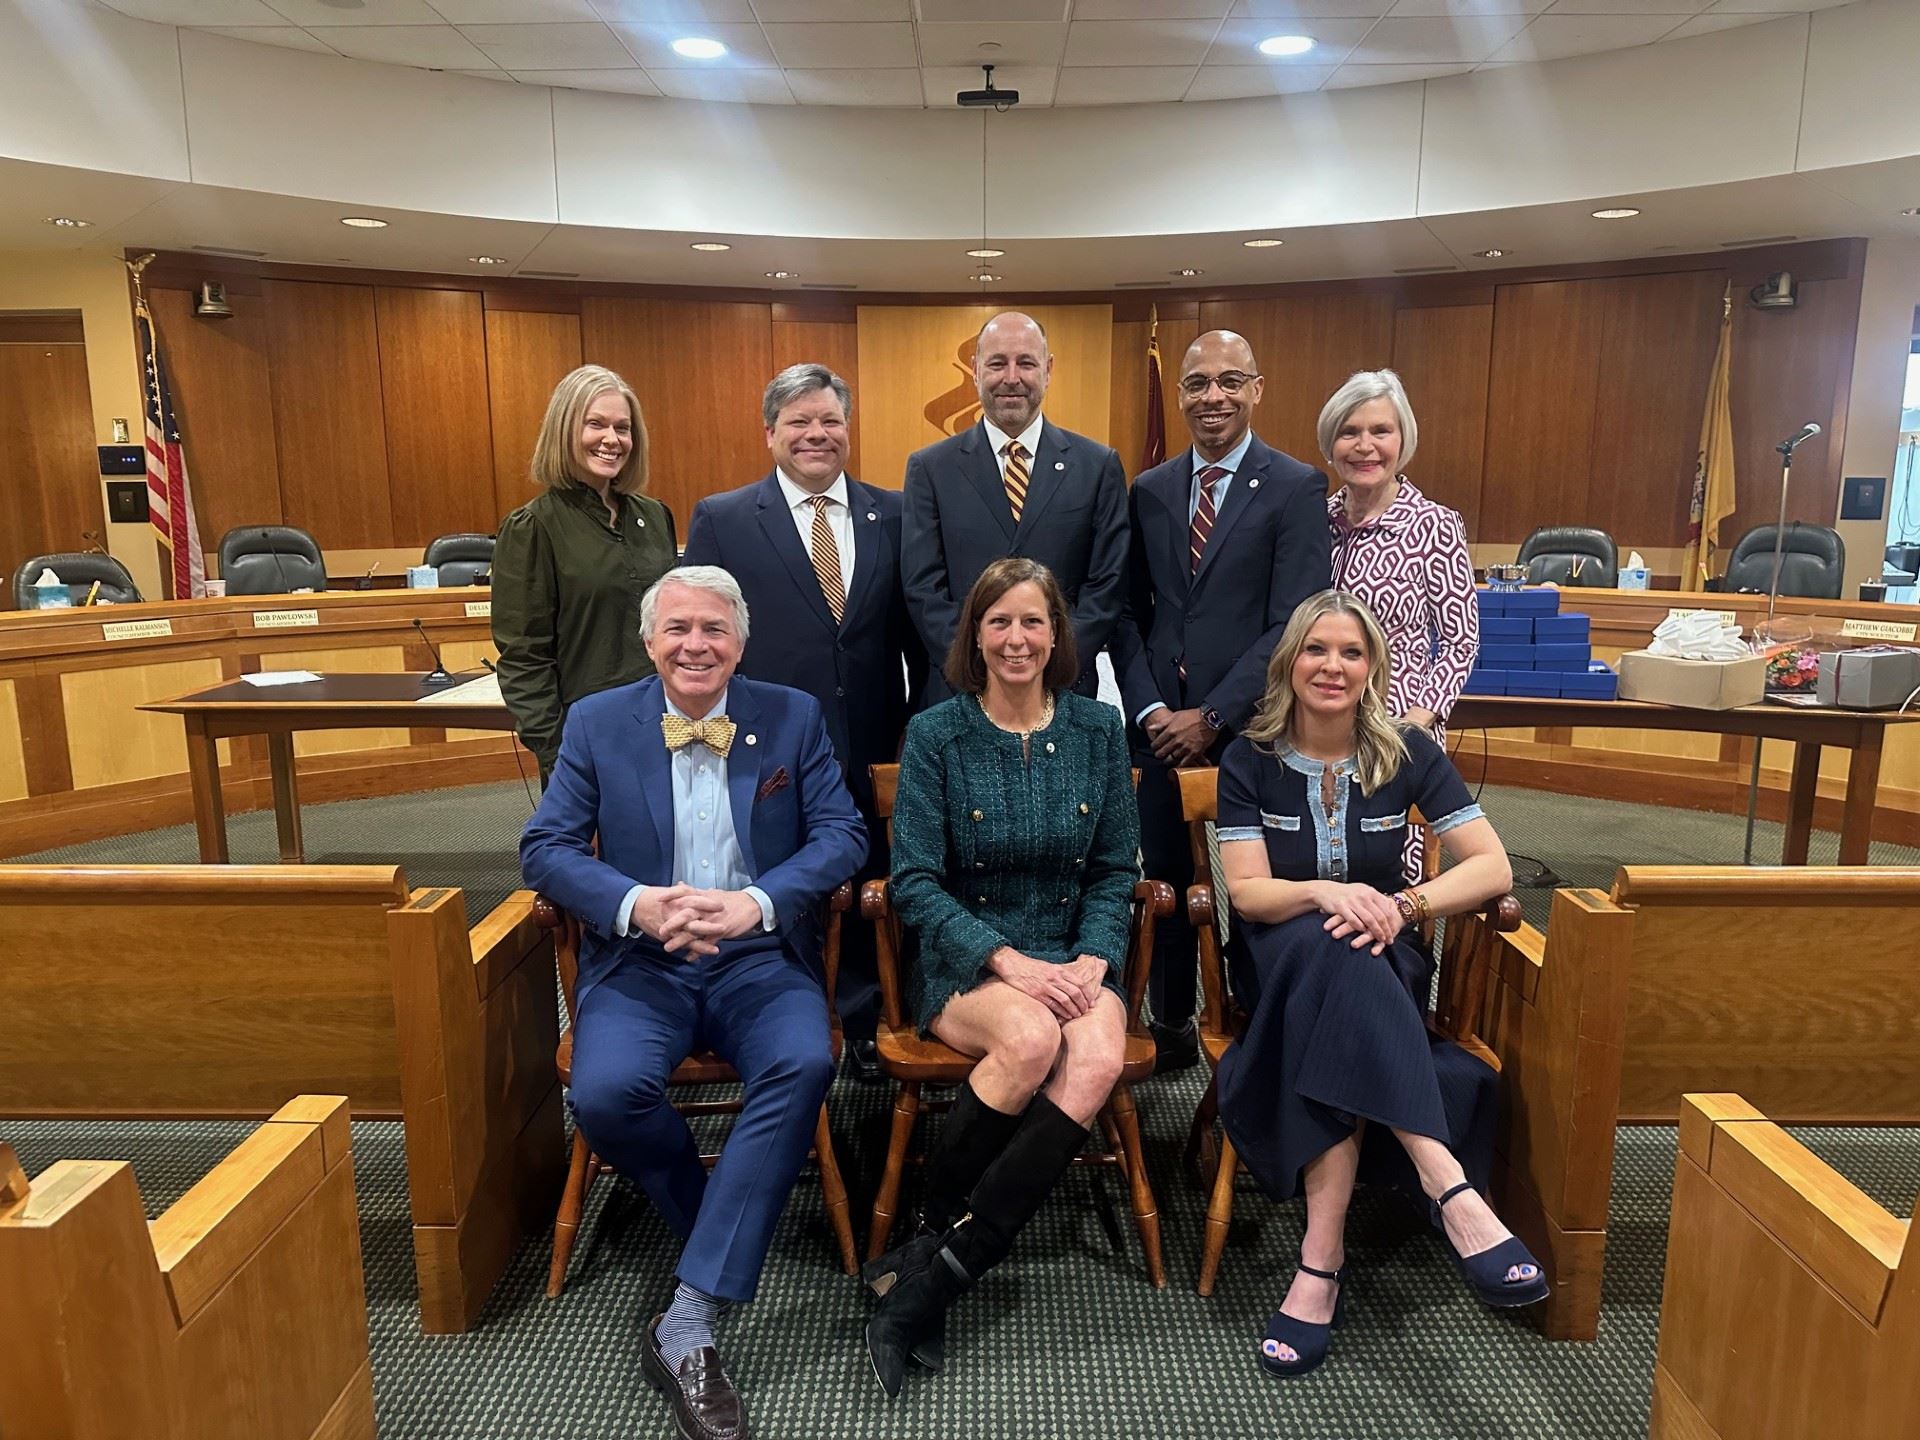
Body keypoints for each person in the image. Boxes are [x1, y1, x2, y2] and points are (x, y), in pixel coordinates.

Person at [521, 567, 866, 1440]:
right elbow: (546, 846)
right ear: (650, 642)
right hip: (643, 960)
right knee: (601, 1096)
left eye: (713, 629)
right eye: (677, 629)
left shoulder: (790, 714)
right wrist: (639, 904)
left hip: (758, 956)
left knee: (804, 1061)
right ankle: (717, 1222)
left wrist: (756, 902)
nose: (695, 645)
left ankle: (688, 1313)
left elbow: (843, 834)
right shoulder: (599, 721)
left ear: (740, 642)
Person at [1210, 590, 1545, 1380]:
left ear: (1373, 669)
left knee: (1355, 958)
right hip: (1276, 956)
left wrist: (1403, 905)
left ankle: (1319, 1263)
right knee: (1334, 951)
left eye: (1351, 653)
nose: (1332, 666)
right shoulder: (1247, 756)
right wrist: (1327, 894)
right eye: (1316, 650)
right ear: (1289, 662)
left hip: (1385, 952)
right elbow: (1250, 894)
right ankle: (1450, 1186)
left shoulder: (1408, 751)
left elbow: (1492, 867)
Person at [863, 557, 1140, 1397]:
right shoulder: (938, 734)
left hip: (1073, 949)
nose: (1016, 638)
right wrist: (1011, 962)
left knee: (1092, 1059)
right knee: (1027, 1038)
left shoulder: (1098, 729)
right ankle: (931, 1233)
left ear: (1058, 636)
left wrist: (1094, 955)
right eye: (998, 622)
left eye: (1032, 622)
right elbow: (911, 882)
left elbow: (1115, 872)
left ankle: (933, 1272)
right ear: (974, 636)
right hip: (970, 959)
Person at [681, 363, 924, 1082]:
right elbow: (705, 635)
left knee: (876, 873)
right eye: (799, 423)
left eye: (830, 421)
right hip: (768, 742)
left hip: (880, 738)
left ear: (848, 430)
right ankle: (790, 1012)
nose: (816, 435)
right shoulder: (723, 518)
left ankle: (870, 1010)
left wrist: (917, 729)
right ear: (770, 434)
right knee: (787, 872)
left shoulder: (897, 512)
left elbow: (917, 634)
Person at [1112, 328, 1331, 1074]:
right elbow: (1129, 615)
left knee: (1257, 883)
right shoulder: (1149, 489)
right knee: (1167, 882)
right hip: (1158, 732)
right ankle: (1171, 1018)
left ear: (1257, 390)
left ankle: (1259, 1016)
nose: (1214, 397)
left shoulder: (1297, 486)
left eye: (1231, 381)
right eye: (1199, 383)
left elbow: (1292, 621)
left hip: (1255, 728)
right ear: (1179, 394)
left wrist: (1212, 717)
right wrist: (1150, 712)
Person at [901, 311, 1127, 701]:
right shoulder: (930, 468)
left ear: (1048, 369)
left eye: (1026, 363)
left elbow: (1106, 585)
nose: (1011, 378)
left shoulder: (1098, 465)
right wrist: (975, 667)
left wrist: (1054, 665)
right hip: (960, 692)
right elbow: (923, 588)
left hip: (1065, 693)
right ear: (974, 370)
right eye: (996, 363)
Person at [492, 363, 678, 780]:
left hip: (665, 728)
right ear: (564, 430)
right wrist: (558, 754)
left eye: (623, 428)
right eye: (595, 424)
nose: (612, 440)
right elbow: (524, 659)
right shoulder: (533, 527)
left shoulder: (655, 516)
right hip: (584, 741)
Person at [1321, 369, 1477, 742]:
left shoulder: (1435, 525)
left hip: (1396, 728)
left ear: (1402, 439)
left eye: (1380, 431)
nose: (1364, 446)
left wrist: (1416, 722)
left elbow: (1461, 643)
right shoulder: (1313, 520)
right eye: (1349, 432)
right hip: (1317, 725)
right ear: (1331, 443)